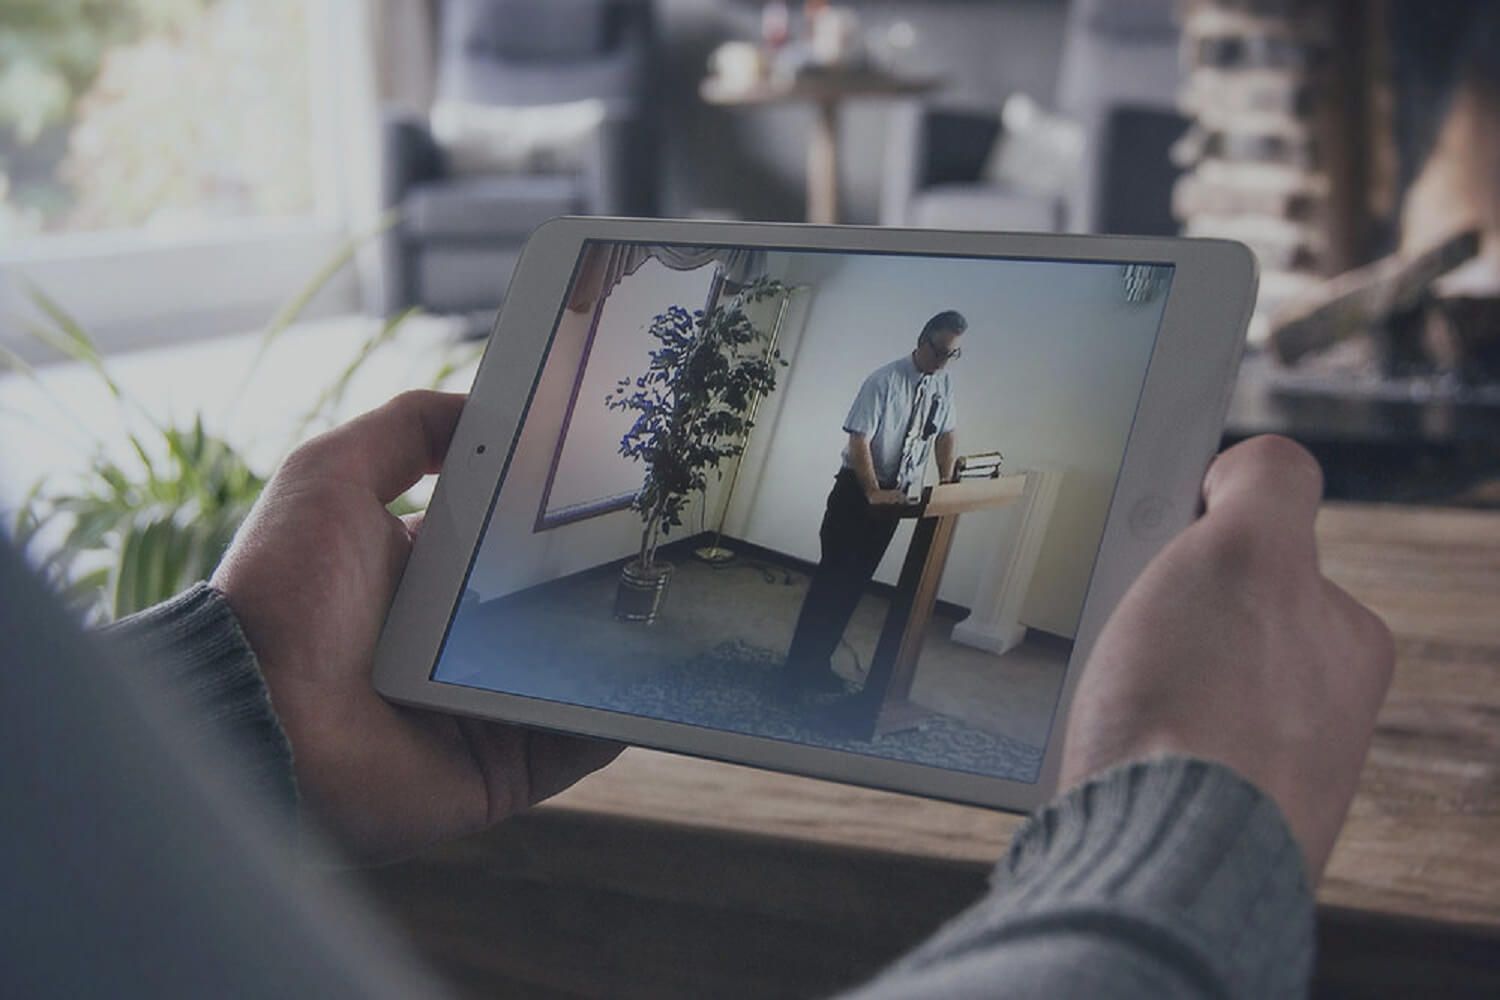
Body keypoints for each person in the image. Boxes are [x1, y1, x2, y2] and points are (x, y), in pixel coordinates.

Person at [2, 389, 1393, 997]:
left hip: (905, 511)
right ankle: (809, 680)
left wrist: (252, 706)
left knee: (854, 615)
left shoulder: (942, 392)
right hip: (861, 514)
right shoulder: (875, 385)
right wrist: (1194, 832)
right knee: (833, 610)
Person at [779, 310, 966, 700]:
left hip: (894, 498)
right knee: (832, 584)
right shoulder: (883, 381)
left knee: (853, 587)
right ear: (923, 341)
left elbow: (946, 434)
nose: (944, 361)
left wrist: (948, 481)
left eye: (953, 355)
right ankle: (795, 674)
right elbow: (859, 441)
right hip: (856, 493)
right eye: (941, 352)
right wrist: (872, 492)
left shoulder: (943, 384)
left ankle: (818, 665)